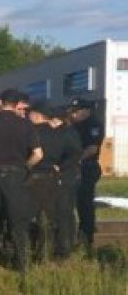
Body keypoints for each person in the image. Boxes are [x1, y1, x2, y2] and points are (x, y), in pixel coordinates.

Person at [0, 89, 43, 272]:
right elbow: (38, 154)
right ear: (17, 104)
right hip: (16, 175)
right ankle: (22, 263)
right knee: (19, 221)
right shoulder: (26, 125)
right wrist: (26, 167)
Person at [26, 101, 65, 261]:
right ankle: (47, 254)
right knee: (49, 217)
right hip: (51, 177)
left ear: (37, 115)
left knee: (28, 216)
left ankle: (29, 251)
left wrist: (26, 166)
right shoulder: (59, 133)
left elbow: (32, 154)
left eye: (30, 113)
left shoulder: (31, 132)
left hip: (32, 177)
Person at [69, 98, 105, 249]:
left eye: (77, 111)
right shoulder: (75, 125)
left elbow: (92, 149)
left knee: (85, 202)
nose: (74, 114)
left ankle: (86, 235)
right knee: (76, 201)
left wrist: (76, 160)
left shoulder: (93, 124)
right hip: (76, 167)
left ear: (87, 110)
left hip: (87, 167)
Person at [50, 108, 83, 258]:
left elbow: (72, 154)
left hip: (65, 175)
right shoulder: (71, 132)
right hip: (71, 174)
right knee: (68, 211)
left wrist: (59, 166)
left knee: (63, 210)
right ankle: (68, 242)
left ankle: (63, 246)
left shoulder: (64, 134)